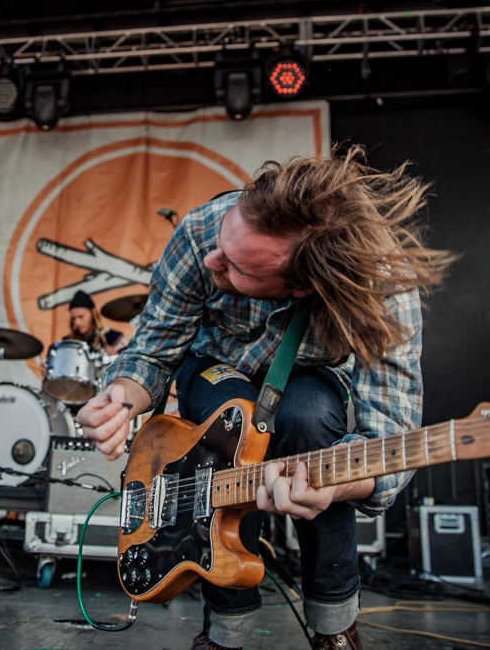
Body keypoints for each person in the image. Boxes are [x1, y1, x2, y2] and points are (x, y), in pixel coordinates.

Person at [75, 145, 454, 650]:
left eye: (236, 266)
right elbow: (153, 349)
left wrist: (334, 485)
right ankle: (225, 631)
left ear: (300, 288)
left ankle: (335, 627)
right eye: (222, 243)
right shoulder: (203, 230)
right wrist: (120, 398)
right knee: (229, 420)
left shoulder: (381, 286)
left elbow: (390, 432)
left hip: (309, 377)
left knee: (310, 420)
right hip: (214, 367)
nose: (212, 260)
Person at [64, 289, 127, 355]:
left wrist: (116, 357)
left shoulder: (115, 338)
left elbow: (128, 360)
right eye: (73, 318)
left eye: (81, 317)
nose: (77, 323)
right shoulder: (67, 343)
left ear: (93, 313)